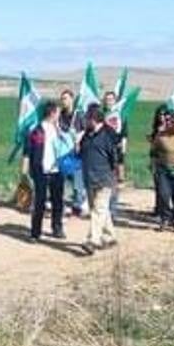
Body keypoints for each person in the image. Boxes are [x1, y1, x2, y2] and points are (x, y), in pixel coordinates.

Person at [78, 104, 120, 253]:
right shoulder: (86, 135)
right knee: (99, 210)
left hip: (104, 178)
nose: (85, 121)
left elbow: (115, 158)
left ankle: (92, 241)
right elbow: (80, 152)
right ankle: (110, 236)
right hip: (89, 178)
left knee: (98, 209)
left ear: (94, 119)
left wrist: (117, 175)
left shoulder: (109, 135)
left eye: (88, 118)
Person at [24, 100, 67, 241]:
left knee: (58, 201)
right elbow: (28, 150)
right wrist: (26, 169)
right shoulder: (37, 130)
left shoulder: (60, 129)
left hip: (57, 170)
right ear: (52, 113)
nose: (59, 115)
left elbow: (68, 145)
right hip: (40, 170)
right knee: (39, 202)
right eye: (58, 112)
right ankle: (35, 232)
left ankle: (57, 228)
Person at [56, 90, 88, 218]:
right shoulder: (60, 115)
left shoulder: (79, 115)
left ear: (72, 99)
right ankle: (66, 204)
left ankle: (80, 203)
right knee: (63, 178)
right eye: (62, 99)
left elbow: (86, 130)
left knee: (77, 178)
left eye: (66, 98)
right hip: (63, 151)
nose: (64, 101)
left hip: (77, 151)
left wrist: (79, 139)